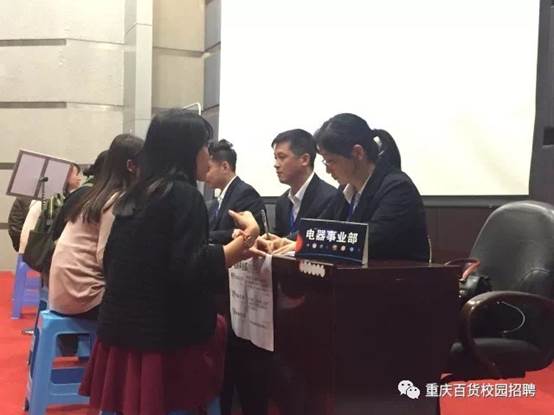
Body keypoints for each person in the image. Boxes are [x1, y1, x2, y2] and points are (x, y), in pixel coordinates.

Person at [79, 109, 260, 414]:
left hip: (118, 329)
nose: (208, 156)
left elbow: (119, 259)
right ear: (186, 151)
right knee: (222, 331)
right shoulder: (184, 195)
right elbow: (191, 269)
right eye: (204, 147)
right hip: (163, 339)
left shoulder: (137, 193)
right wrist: (248, 238)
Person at [256, 113, 429, 262]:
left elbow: (368, 242)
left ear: (358, 153)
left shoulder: (397, 189)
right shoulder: (346, 190)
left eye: (331, 161)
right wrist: (284, 241)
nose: (327, 169)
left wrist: (302, 245)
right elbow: (319, 226)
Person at [48, 136, 142, 319]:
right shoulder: (115, 200)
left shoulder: (95, 193)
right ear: (131, 166)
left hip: (65, 291)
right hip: (83, 295)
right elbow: (106, 256)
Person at [272, 129, 337, 239]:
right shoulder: (282, 202)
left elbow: (316, 237)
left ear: (305, 159)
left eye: (282, 157)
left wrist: (281, 242)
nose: (276, 164)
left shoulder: (329, 198)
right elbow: (278, 237)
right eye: (275, 158)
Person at [205, 139, 265, 244]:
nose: (205, 174)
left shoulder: (246, 194)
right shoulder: (216, 203)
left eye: (208, 168)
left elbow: (248, 236)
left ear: (225, 167)